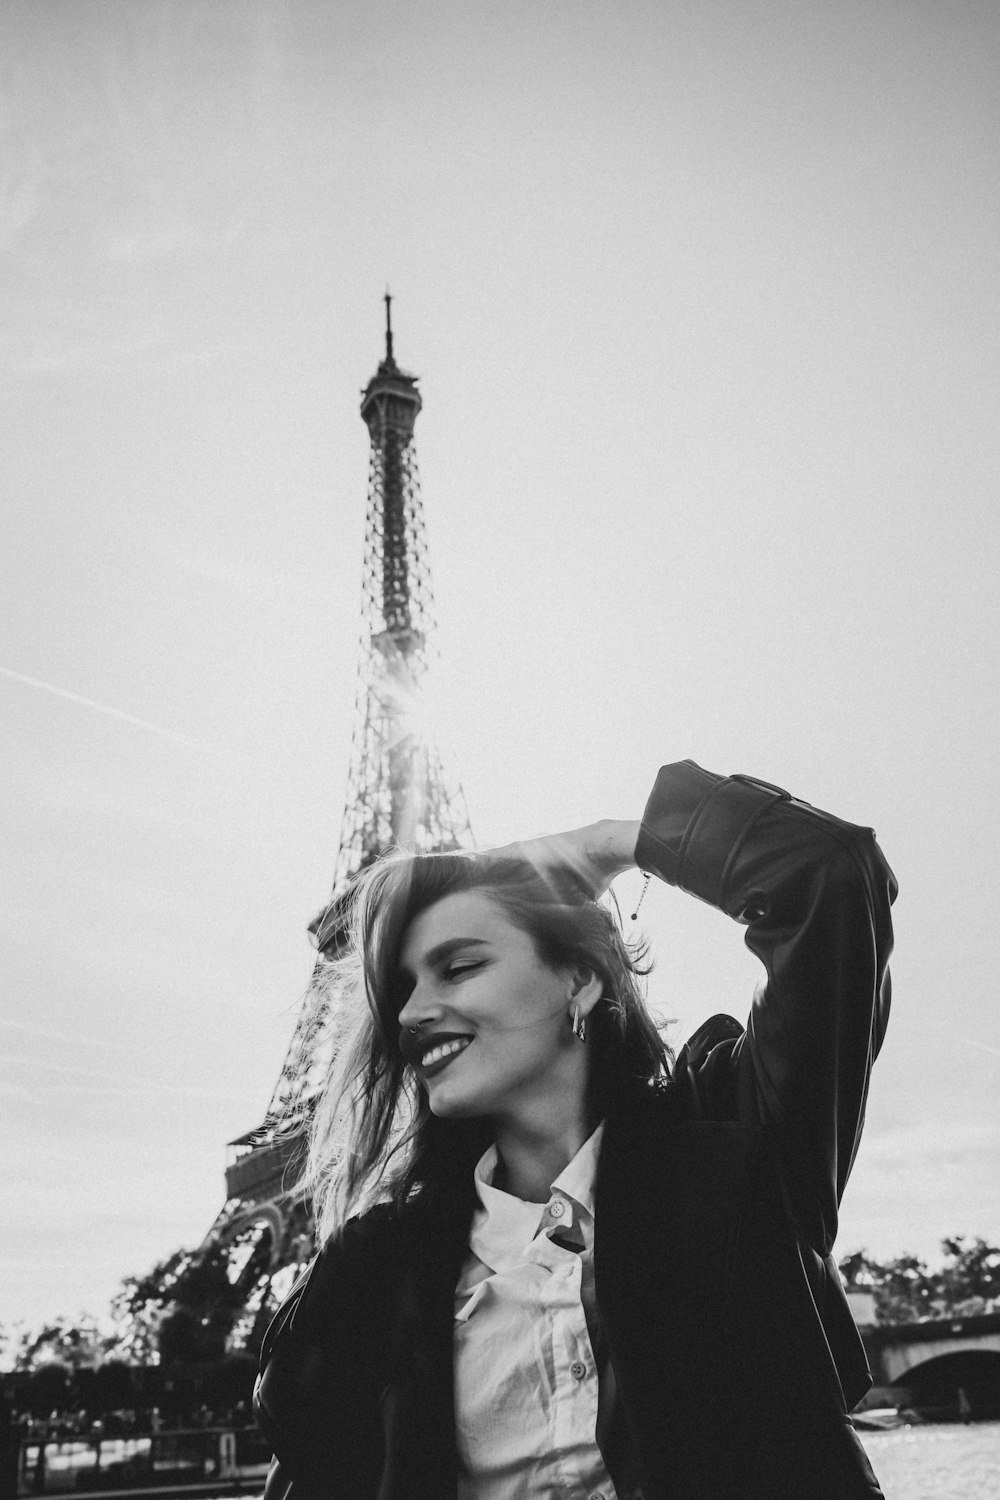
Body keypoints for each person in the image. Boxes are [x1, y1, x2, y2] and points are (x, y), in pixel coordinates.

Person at [254, 760, 896, 1500]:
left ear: (580, 980)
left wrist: (609, 845)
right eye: (403, 989)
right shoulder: (377, 1276)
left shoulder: (736, 1151)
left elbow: (831, 876)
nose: (411, 1012)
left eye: (459, 966)